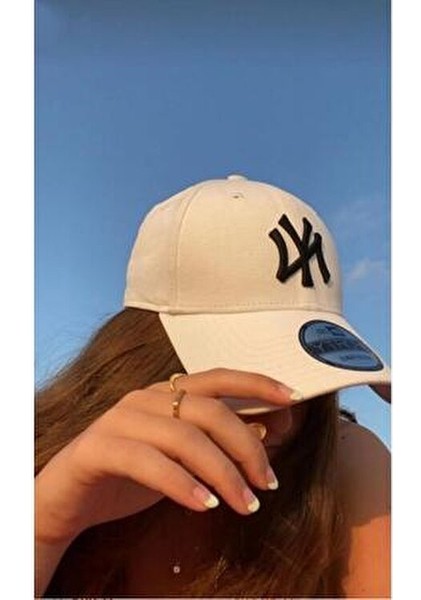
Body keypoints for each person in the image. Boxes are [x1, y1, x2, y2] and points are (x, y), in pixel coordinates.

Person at [35, 175, 391, 598]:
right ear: (147, 355)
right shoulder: (47, 468)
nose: (286, 418)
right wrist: (45, 528)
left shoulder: (342, 462)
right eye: (248, 371)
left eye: (308, 377)